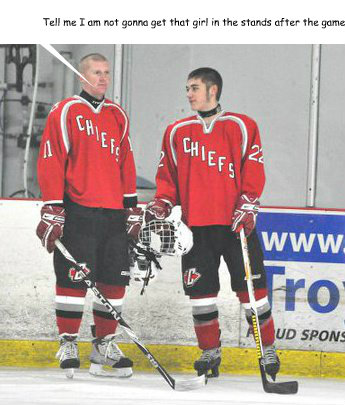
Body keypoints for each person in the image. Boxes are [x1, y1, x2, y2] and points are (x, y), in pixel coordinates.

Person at [144, 67, 280, 380]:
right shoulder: (177, 131)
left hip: (235, 226)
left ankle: (268, 347)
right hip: (194, 229)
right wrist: (163, 201)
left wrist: (248, 202)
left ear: (213, 90)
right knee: (201, 294)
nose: (188, 94)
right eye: (187, 88)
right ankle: (210, 351)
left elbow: (254, 167)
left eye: (194, 88)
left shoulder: (242, 126)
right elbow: (168, 175)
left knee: (253, 291)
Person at [36, 53, 137, 378]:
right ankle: (68, 342)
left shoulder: (117, 115)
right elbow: (51, 158)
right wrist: (53, 206)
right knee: (73, 279)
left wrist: (131, 206)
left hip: (113, 214)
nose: (103, 78)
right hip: (78, 210)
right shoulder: (65, 111)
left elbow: (126, 162)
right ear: (82, 77)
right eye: (96, 72)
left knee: (113, 279)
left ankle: (103, 344)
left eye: (107, 72)